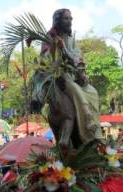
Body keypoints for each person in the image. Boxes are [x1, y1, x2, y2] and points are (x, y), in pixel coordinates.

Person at [38, 8, 102, 144]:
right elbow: (44, 58)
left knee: (93, 92)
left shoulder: (71, 39)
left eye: (70, 18)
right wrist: (57, 48)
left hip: (73, 74)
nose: (69, 21)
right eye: (66, 18)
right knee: (73, 88)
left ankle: (96, 131)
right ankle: (88, 118)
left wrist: (82, 73)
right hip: (58, 76)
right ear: (58, 20)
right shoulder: (49, 37)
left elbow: (77, 57)